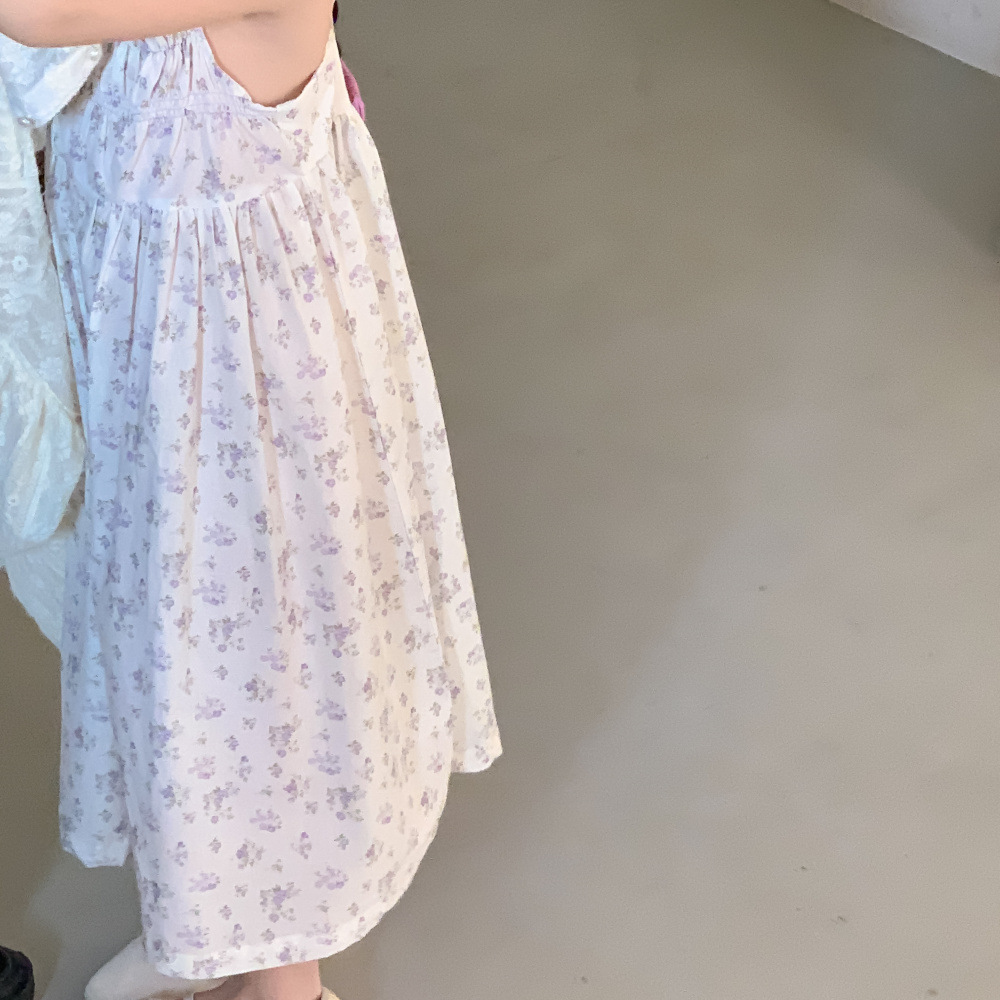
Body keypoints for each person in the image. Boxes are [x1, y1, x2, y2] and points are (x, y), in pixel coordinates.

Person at [0, 3, 503, 1000]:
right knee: (176, 657)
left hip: (241, 387)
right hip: (152, 352)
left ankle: (285, 978)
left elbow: (37, 14)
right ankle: (220, 919)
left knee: (256, 667)